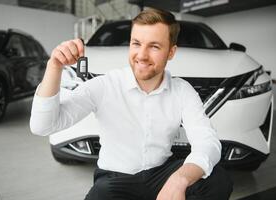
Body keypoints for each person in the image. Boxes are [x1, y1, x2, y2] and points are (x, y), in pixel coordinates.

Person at [30, 8, 233, 200]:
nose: (142, 55)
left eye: (154, 46)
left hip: (160, 174)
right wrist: (54, 67)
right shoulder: (105, 84)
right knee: (101, 194)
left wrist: (180, 179)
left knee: (218, 179)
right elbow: (43, 126)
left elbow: (208, 142)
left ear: (171, 52)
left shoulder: (182, 90)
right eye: (136, 43)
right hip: (114, 179)